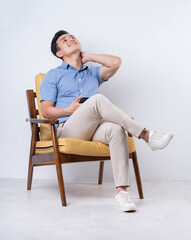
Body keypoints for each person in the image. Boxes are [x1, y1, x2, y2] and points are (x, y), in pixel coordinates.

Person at [40, 30, 174, 212]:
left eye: (72, 37)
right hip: (67, 129)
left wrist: (88, 57)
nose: (71, 39)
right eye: (64, 41)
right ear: (59, 53)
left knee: (116, 130)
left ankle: (121, 193)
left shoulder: (92, 72)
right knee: (97, 99)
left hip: (92, 128)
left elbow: (116, 62)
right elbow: (46, 111)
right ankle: (147, 135)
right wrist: (68, 110)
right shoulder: (54, 75)